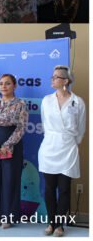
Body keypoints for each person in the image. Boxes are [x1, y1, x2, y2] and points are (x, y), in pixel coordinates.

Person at [38, 65, 86, 236]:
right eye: (52, 77)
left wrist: (71, 142)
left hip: (68, 147)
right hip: (49, 147)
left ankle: (60, 225)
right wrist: (53, 138)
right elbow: (44, 124)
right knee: (49, 189)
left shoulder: (77, 102)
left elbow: (81, 128)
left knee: (64, 188)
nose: (52, 80)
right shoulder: (46, 100)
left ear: (65, 81)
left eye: (56, 77)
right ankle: (51, 223)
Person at [0, 74, 28, 228]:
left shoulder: (21, 104)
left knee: (10, 179)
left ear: (14, 86)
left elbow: (21, 127)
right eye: (1, 83)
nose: (3, 86)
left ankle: (8, 217)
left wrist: (7, 145)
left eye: (7, 83)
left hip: (12, 146)